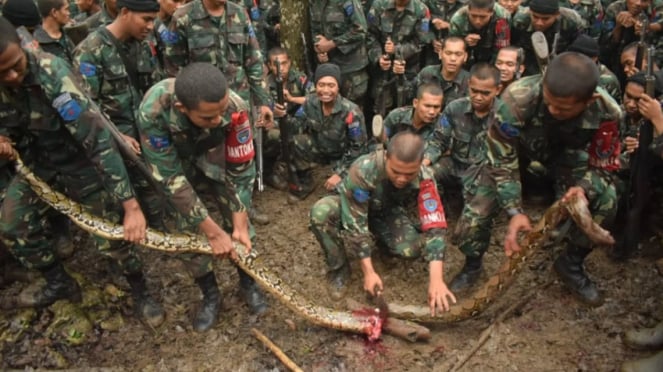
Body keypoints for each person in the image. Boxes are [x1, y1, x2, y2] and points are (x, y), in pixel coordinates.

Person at [0, 16, 164, 327]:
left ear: (23, 48)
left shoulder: (52, 74)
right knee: (13, 224)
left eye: (16, 65)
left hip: (81, 163)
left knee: (111, 237)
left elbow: (98, 142)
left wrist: (130, 205)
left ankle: (141, 289)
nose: (12, 75)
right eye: (2, 72)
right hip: (38, 166)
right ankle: (58, 280)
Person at [136, 62, 268, 333]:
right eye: (208, 117)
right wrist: (212, 232)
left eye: (221, 113)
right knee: (188, 228)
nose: (218, 120)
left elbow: (242, 171)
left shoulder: (235, 107)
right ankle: (211, 294)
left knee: (239, 225)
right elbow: (171, 180)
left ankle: (248, 283)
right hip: (176, 164)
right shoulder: (153, 110)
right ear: (183, 109)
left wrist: (239, 224)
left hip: (214, 155)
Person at [501, 52, 622, 306]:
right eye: (549, 103)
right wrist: (514, 210)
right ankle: (473, 262)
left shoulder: (607, 113)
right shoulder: (517, 97)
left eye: (563, 108)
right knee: (480, 196)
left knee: (608, 196)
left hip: (566, 160)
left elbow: (603, 166)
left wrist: (582, 189)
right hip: (522, 156)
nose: (553, 110)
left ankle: (570, 262)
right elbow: (500, 159)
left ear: (590, 101)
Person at [310, 131, 457, 316]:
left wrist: (437, 280)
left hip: (385, 210)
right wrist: (369, 272)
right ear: (386, 157)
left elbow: (435, 226)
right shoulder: (363, 169)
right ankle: (339, 268)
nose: (402, 178)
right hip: (351, 208)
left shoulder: (425, 177)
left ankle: (384, 245)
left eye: (409, 174)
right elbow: (356, 223)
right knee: (321, 213)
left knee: (410, 249)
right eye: (395, 171)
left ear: (420, 164)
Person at [433, 63, 529, 291]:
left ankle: (473, 265)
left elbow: (509, 159)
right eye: (473, 91)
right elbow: (438, 140)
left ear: (497, 89)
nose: (477, 97)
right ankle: (436, 217)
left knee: (472, 223)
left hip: (485, 171)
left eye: (485, 93)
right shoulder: (455, 108)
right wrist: (426, 160)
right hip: (455, 164)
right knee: (425, 175)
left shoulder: (506, 117)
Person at [74, 0, 164, 227]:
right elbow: (88, 109)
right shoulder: (90, 51)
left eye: (153, 19)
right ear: (125, 12)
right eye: (146, 19)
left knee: (156, 193)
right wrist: (119, 137)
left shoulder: (143, 45)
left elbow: (154, 87)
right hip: (114, 141)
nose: (151, 26)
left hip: (146, 132)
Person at [287, 63, 368, 201]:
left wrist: (340, 173)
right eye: (321, 85)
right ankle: (306, 182)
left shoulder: (351, 112)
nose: (325, 90)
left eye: (331, 85)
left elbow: (359, 149)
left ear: (338, 87)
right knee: (294, 141)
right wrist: (281, 117)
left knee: (341, 192)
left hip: (343, 157)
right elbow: (296, 126)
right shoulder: (310, 103)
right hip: (321, 150)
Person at [367, 0, 432, 114]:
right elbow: (369, 35)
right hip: (383, 70)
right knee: (380, 108)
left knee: (406, 106)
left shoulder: (421, 10)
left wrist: (397, 49)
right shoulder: (379, 5)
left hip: (408, 68)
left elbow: (422, 40)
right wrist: (378, 57)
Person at [265, 46, 312, 191]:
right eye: (276, 65)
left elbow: (316, 98)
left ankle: (302, 172)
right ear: (269, 66)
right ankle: (270, 171)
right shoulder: (264, 84)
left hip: (298, 122)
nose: (282, 68)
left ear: (290, 62)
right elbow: (259, 108)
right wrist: (272, 112)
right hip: (276, 125)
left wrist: (293, 98)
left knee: (302, 140)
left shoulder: (300, 78)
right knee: (272, 136)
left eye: (284, 63)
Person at [309, 0, 370, 106]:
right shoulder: (315, 3)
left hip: (350, 67)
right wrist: (320, 49)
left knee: (352, 110)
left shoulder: (349, 2)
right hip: (328, 66)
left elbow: (360, 31)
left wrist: (331, 44)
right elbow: (315, 30)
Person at [511, 0, 586, 76]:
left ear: (557, 15)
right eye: (535, 17)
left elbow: (577, 48)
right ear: (530, 12)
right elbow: (514, 45)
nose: (539, 23)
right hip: (529, 60)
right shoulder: (520, 21)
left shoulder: (571, 21)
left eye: (545, 19)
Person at [382, 83, 445, 167]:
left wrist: (421, 165)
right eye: (427, 106)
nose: (432, 112)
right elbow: (376, 142)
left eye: (436, 107)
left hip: (423, 164)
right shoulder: (396, 116)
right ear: (415, 103)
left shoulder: (442, 124)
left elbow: (437, 147)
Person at [448, 0, 511, 68]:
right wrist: (464, 42)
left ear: (491, 13)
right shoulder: (458, 19)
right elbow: (452, 45)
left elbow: (501, 48)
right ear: (468, 11)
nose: (477, 21)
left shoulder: (503, 17)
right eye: (473, 16)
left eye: (483, 17)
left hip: (491, 46)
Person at [414, 36, 470, 107]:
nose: (453, 59)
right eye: (448, 53)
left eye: (458, 54)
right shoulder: (427, 73)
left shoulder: (469, 82)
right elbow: (410, 95)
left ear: (465, 57)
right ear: (440, 54)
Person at [568, 34, 622, 102]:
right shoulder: (566, 69)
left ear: (594, 58)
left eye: (583, 58)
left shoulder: (608, 79)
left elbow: (615, 108)